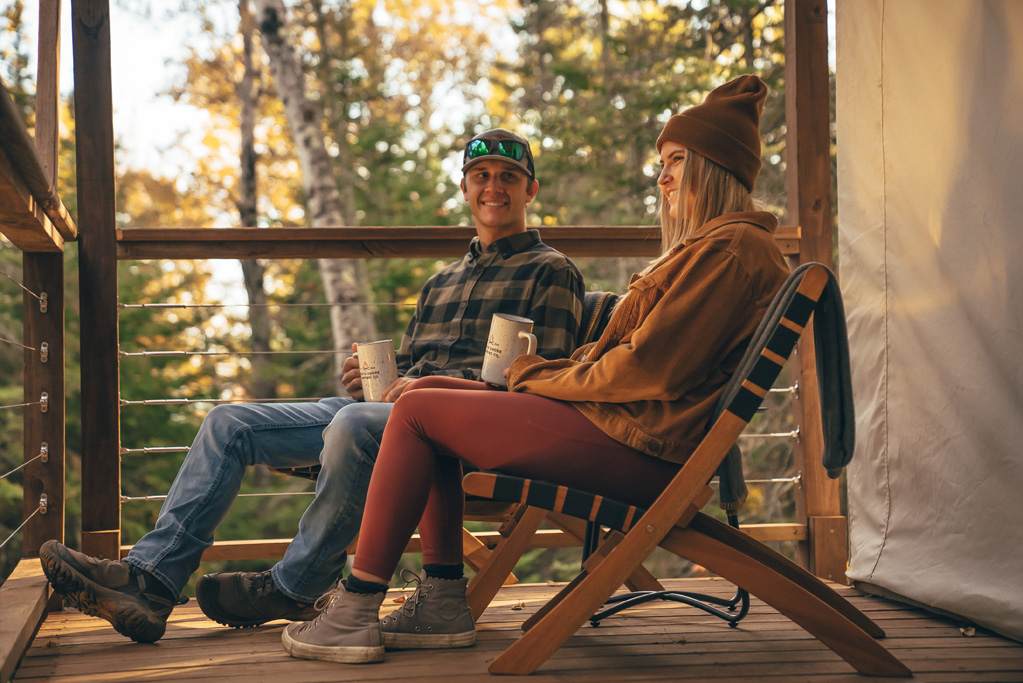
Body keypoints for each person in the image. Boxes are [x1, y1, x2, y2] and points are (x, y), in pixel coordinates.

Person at [278, 74, 791, 665]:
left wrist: (534, 374)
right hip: (621, 431)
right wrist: (537, 376)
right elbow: (641, 365)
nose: (663, 177)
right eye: (664, 161)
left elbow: (648, 371)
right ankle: (444, 596)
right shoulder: (716, 249)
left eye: (677, 160)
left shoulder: (729, 252)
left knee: (417, 409)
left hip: (636, 447)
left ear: (714, 166)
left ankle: (354, 607)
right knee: (422, 393)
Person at [38, 128, 585, 644]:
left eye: (508, 177)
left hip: (465, 434)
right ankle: (151, 580)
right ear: (465, 187)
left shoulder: (551, 271)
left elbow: (542, 380)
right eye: (481, 175)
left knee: (352, 422)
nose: (494, 187)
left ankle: (297, 585)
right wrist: (378, 374)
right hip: (388, 414)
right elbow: (411, 365)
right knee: (229, 423)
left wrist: (426, 385)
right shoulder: (441, 281)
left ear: (530, 190)